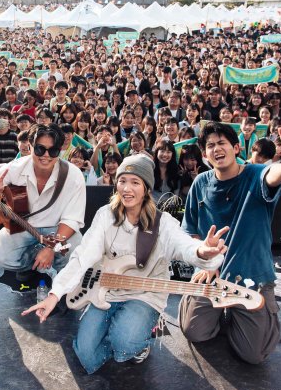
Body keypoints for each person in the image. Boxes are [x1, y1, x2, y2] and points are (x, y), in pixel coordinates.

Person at [21, 154, 227, 373]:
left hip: (144, 295)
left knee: (125, 345)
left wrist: (204, 252)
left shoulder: (163, 223)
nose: (126, 188)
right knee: (86, 356)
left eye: (135, 182)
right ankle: (123, 329)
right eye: (122, 181)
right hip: (106, 291)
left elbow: (185, 246)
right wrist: (55, 294)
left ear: (147, 188)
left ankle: (140, 337)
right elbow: (83, 256)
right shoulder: (105, 216)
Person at [178, 121, 281, 365]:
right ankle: (220, 313)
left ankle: (240, 315)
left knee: (253, 355)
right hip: (211, 275)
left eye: (222, 143)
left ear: (237, 147)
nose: (216, 149)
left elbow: (273, 175)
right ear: (205, 154)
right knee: (194, 331)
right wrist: (204, 258)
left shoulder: (255, 174)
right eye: (210, 146)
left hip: (251, 277)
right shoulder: (200, 183)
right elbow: (191, 233)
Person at [0, 123, 86, 281]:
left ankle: (56, 269)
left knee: (77, 251)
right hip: (24, 228)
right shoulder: (13, 168)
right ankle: (34, 264)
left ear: (60, 151)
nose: (46, 155)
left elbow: (72, 219)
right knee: (0, 255)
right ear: (30, 146)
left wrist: (50, 249)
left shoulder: (73, 176)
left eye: (53, 151)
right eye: (40, 149)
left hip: (58, 228)